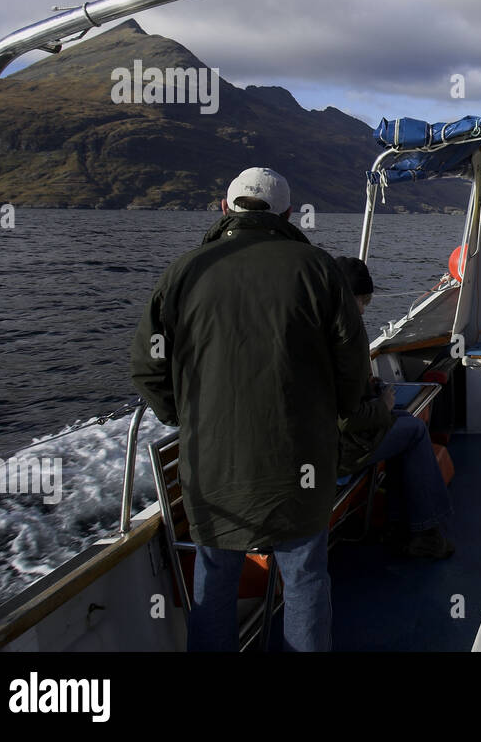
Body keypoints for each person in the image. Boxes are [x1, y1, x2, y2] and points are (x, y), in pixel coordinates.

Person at [131, 168, 370, 651]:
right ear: (286, 214)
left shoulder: (183, 271)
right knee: (304, 577)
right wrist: (338, 419)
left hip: (212, 463)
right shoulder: (318, 270)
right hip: (299, 461)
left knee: (215, 578)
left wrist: (185, 418)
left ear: (226, 208)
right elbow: (352, 367)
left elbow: (149, 365)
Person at [333, 256, 454, 559]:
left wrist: (371, 392)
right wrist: (383, 406)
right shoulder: (344, 337)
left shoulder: (314, 329)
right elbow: (347, 419)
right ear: (349, 298)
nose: (363, 310)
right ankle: (425, 533)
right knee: (411, 428)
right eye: (361, 302)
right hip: (333, 450)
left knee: (402, 422)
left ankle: (401, 525)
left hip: (323, 439)